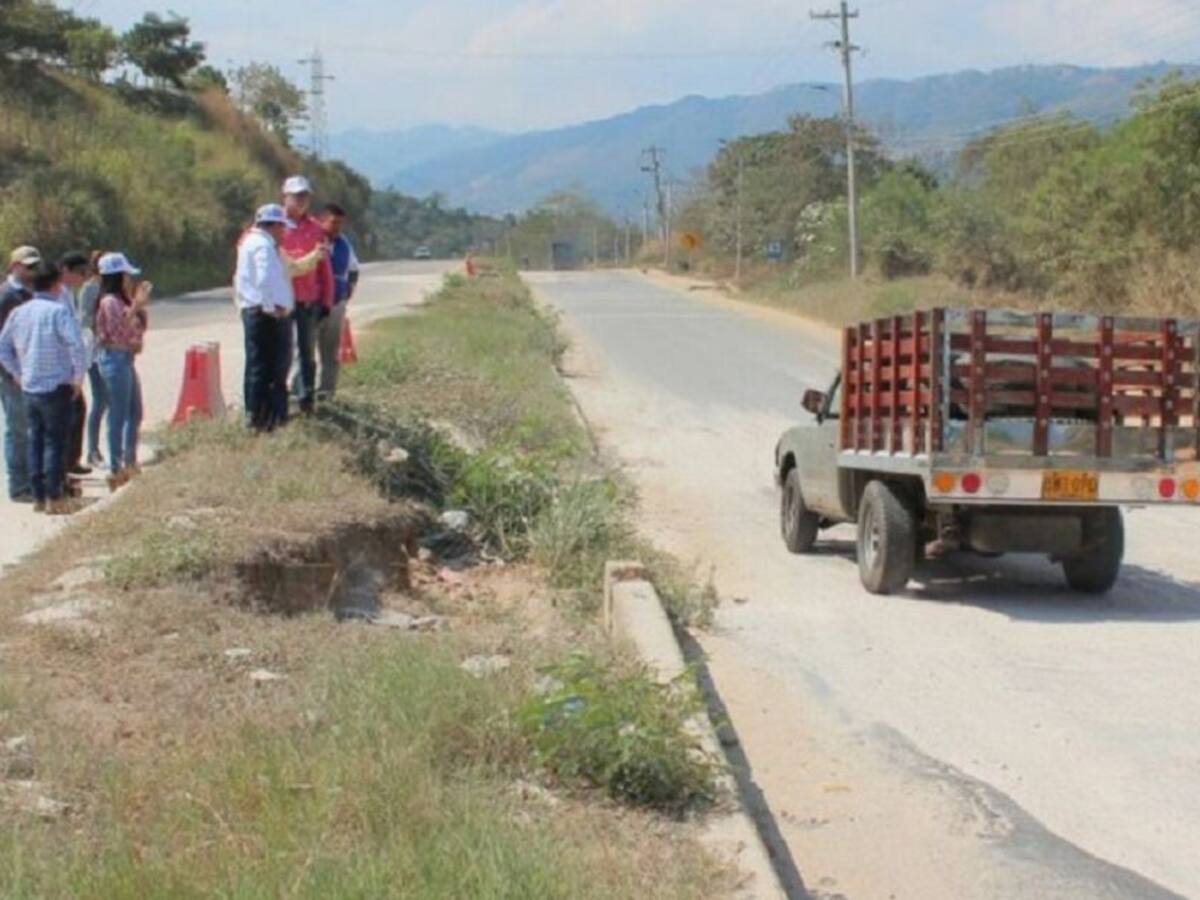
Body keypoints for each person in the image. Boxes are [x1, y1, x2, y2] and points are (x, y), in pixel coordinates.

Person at [0, 260, 86, 515]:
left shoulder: (20, 312)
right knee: (55, 442)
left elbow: (3, 347)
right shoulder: (57, 311)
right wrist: (78, 378)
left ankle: (38, 496)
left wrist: (17, 372)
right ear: (56, 285)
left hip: (30, 387)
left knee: (34, 441)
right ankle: (54, 496)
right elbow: (76, 346)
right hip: (56, 386)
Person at [235, 204, 295, 431]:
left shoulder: (252, 242)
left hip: (257, 311)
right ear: (274, 225)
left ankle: (257, 416)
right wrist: (272, 307)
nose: (284, 232)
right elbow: (264, 279)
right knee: (271, 368)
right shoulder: (263, 246)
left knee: (258, 366)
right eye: (282, 227)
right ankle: (268, 418)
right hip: (264, 314)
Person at [94, 253, 150, 492]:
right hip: (114, 359)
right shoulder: (109, 302)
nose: (129, 279)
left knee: (134, 411)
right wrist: (137, 304)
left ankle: (129, 460)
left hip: (125, 358)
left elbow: (135, 327)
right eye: (126, 275)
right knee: (118, 414)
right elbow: (118, 330)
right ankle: (115, 467)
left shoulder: (120, 300)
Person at [280, 176, 334, 415]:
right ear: (285, 197)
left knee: (306, 351)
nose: (301, 201)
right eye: (296, 196)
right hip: (281, 299)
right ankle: (280, 396)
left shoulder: (315, 228)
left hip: (307, 299)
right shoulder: (273, 225)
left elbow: (325, 268)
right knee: (281, 351)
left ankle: (305, 397)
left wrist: (326, 300)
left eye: (305, 196)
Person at [0, 245, 41, 503]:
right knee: (18, 429)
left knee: (32, 428)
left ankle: (32, 479)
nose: (32, 271)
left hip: (33, 371)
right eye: (28, 266)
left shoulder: (32, 294)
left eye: (35, 266)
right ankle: (19, 485)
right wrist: (11, 372)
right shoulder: (7, 297)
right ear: (14, 266)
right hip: (13, 374)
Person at [316, 203, 360, 399]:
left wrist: (347, 290)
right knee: (304, 352)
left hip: (336, 305)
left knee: (331, 353)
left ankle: (327, 393)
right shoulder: (312, 239)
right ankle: (302, 393)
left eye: (340, 224)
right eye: (333, 223)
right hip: (313, 303)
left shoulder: (343, 243)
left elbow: (353, 269)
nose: (337, 228)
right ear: (322, 220)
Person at [58, 252, 93, 479]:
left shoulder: (69, 292)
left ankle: (71, 461)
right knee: (65, 417)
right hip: (60, 366)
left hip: (70, 364)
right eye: (80, 273)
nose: (83, 278)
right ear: (66, 270)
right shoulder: (58, 293)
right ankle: (63, 468)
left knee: (78, 411)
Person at [77, 252, 107, 468]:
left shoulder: (112, 287)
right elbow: (85, 319)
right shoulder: (90, 288)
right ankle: (92, 449)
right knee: (100, 399)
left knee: (111, 400)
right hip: (96, 351)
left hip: (113, 350)